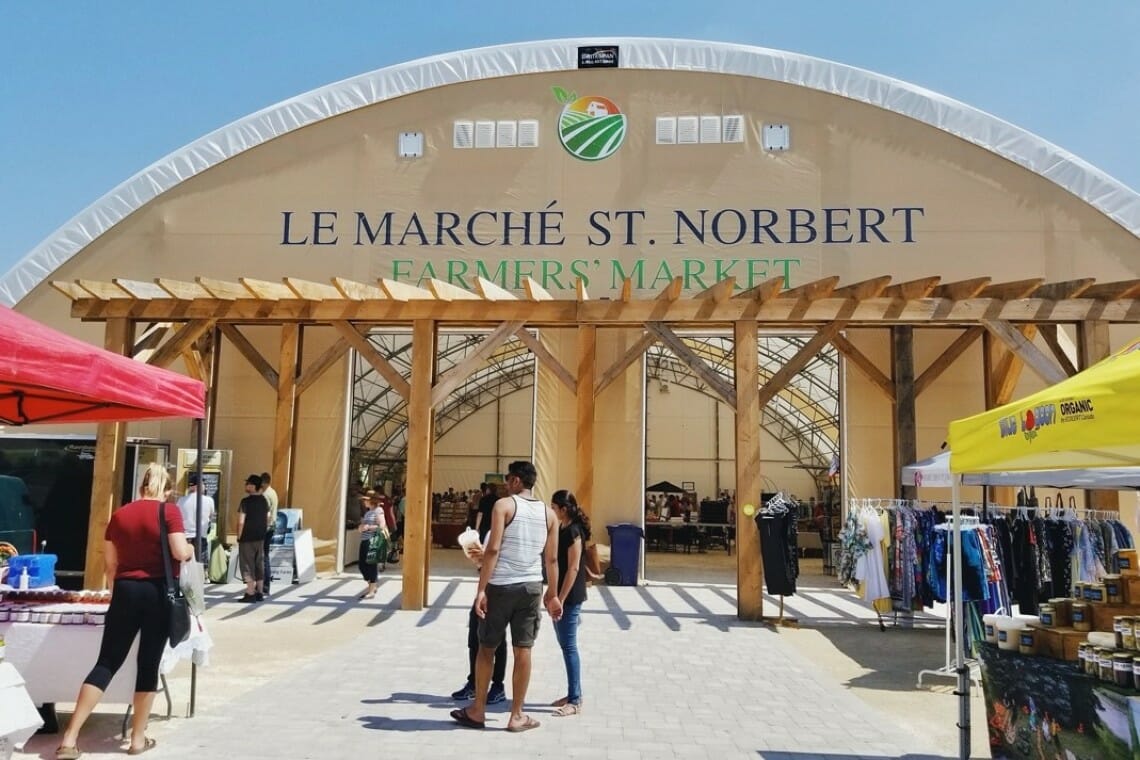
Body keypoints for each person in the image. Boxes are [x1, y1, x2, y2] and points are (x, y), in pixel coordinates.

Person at [55, 462, 193, 759]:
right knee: (148, 664)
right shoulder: (169, 512)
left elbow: (110, 565)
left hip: (126, 592)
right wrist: (192, 550)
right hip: (157, 593)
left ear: (142, 486)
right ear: (166, 489)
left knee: (106, 662)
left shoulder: (119, 515)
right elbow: (180, 551)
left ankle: (70, 736)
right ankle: (137, 738)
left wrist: (117, 595)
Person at [450, 461, 560, 733]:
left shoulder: (504, 506)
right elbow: (552, 559)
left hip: (501, 587)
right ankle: (517, 715)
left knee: (486, 648)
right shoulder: (549, 515)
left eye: (508, 479)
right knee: (523, 650)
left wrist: (481, 590)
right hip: (531, 587)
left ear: (516, 481)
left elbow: (494, 549)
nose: (506, 484)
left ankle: (478, 710)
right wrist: (553, 594)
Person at [451, 482, 508, 705]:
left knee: (498, 641)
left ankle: (497, 685)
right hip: (487, 590)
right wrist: (476, 556)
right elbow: (484, 563)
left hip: (501, 591)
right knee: (475, 635)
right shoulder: (491, 533)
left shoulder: (508, 534)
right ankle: (475, 681)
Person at [549, 489, 590, 716]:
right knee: (565, 644)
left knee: (569, 646)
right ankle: (573, 691)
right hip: (560, 595)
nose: (552, 512)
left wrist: (560, 599)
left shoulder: (574, 531)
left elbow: (573, 567)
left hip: (570, 596)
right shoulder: (563, 527)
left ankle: (575, 699)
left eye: (554, 508)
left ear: (563, 509)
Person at [237, 474, 270, 602]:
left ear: (252, 486)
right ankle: (260, 592)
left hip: (247, 537)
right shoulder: (264, 500)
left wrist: (239, 536)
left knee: (247, 564)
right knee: (259, 563)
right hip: (260, 537)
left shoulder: (245, 502)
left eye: (247, 484)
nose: (245, 486)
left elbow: (241, 521)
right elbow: (268, 518)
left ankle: (250, 592)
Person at [176, 472, 215, 561]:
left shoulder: (181, 501)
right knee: (200, 567)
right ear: (199, 485)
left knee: (185, 566)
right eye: (204, 484)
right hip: (201, 537)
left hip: (185, 538)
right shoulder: (209, 500)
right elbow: (211, 516)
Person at [357, 493, 388, 599]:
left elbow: (381, 525)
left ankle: (371, 589)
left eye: (366, 500)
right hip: (365, 540)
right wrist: (361, 527)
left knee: (370, 565)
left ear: (372, 501)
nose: (364, 502)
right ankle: (372, 585)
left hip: (372, 541)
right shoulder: (368, 512)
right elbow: (364, 525)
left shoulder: (378, 511)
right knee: (362, 565)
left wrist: (368, 527)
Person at [259, 471, 279, 594]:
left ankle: (264, 585)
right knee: (265, 555)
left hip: (266, 528)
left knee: (263, 557)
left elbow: (266, 514)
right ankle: (265, 584)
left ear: (263, 482)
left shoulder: (266, 495)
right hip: (272, 527)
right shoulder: (273, 492)